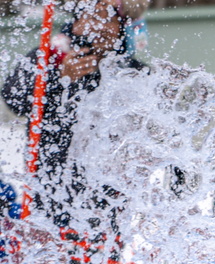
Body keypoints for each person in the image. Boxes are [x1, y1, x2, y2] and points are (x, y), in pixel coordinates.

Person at [2, 0, 148, 194]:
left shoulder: (133, 73)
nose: (99, 26)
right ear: (76, 23)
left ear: (122, 27)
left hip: (111, 191)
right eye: (91, 16)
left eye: (109, 19)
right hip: (50, 186)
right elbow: (15, 101)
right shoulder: (48, 57)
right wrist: (59, 79)